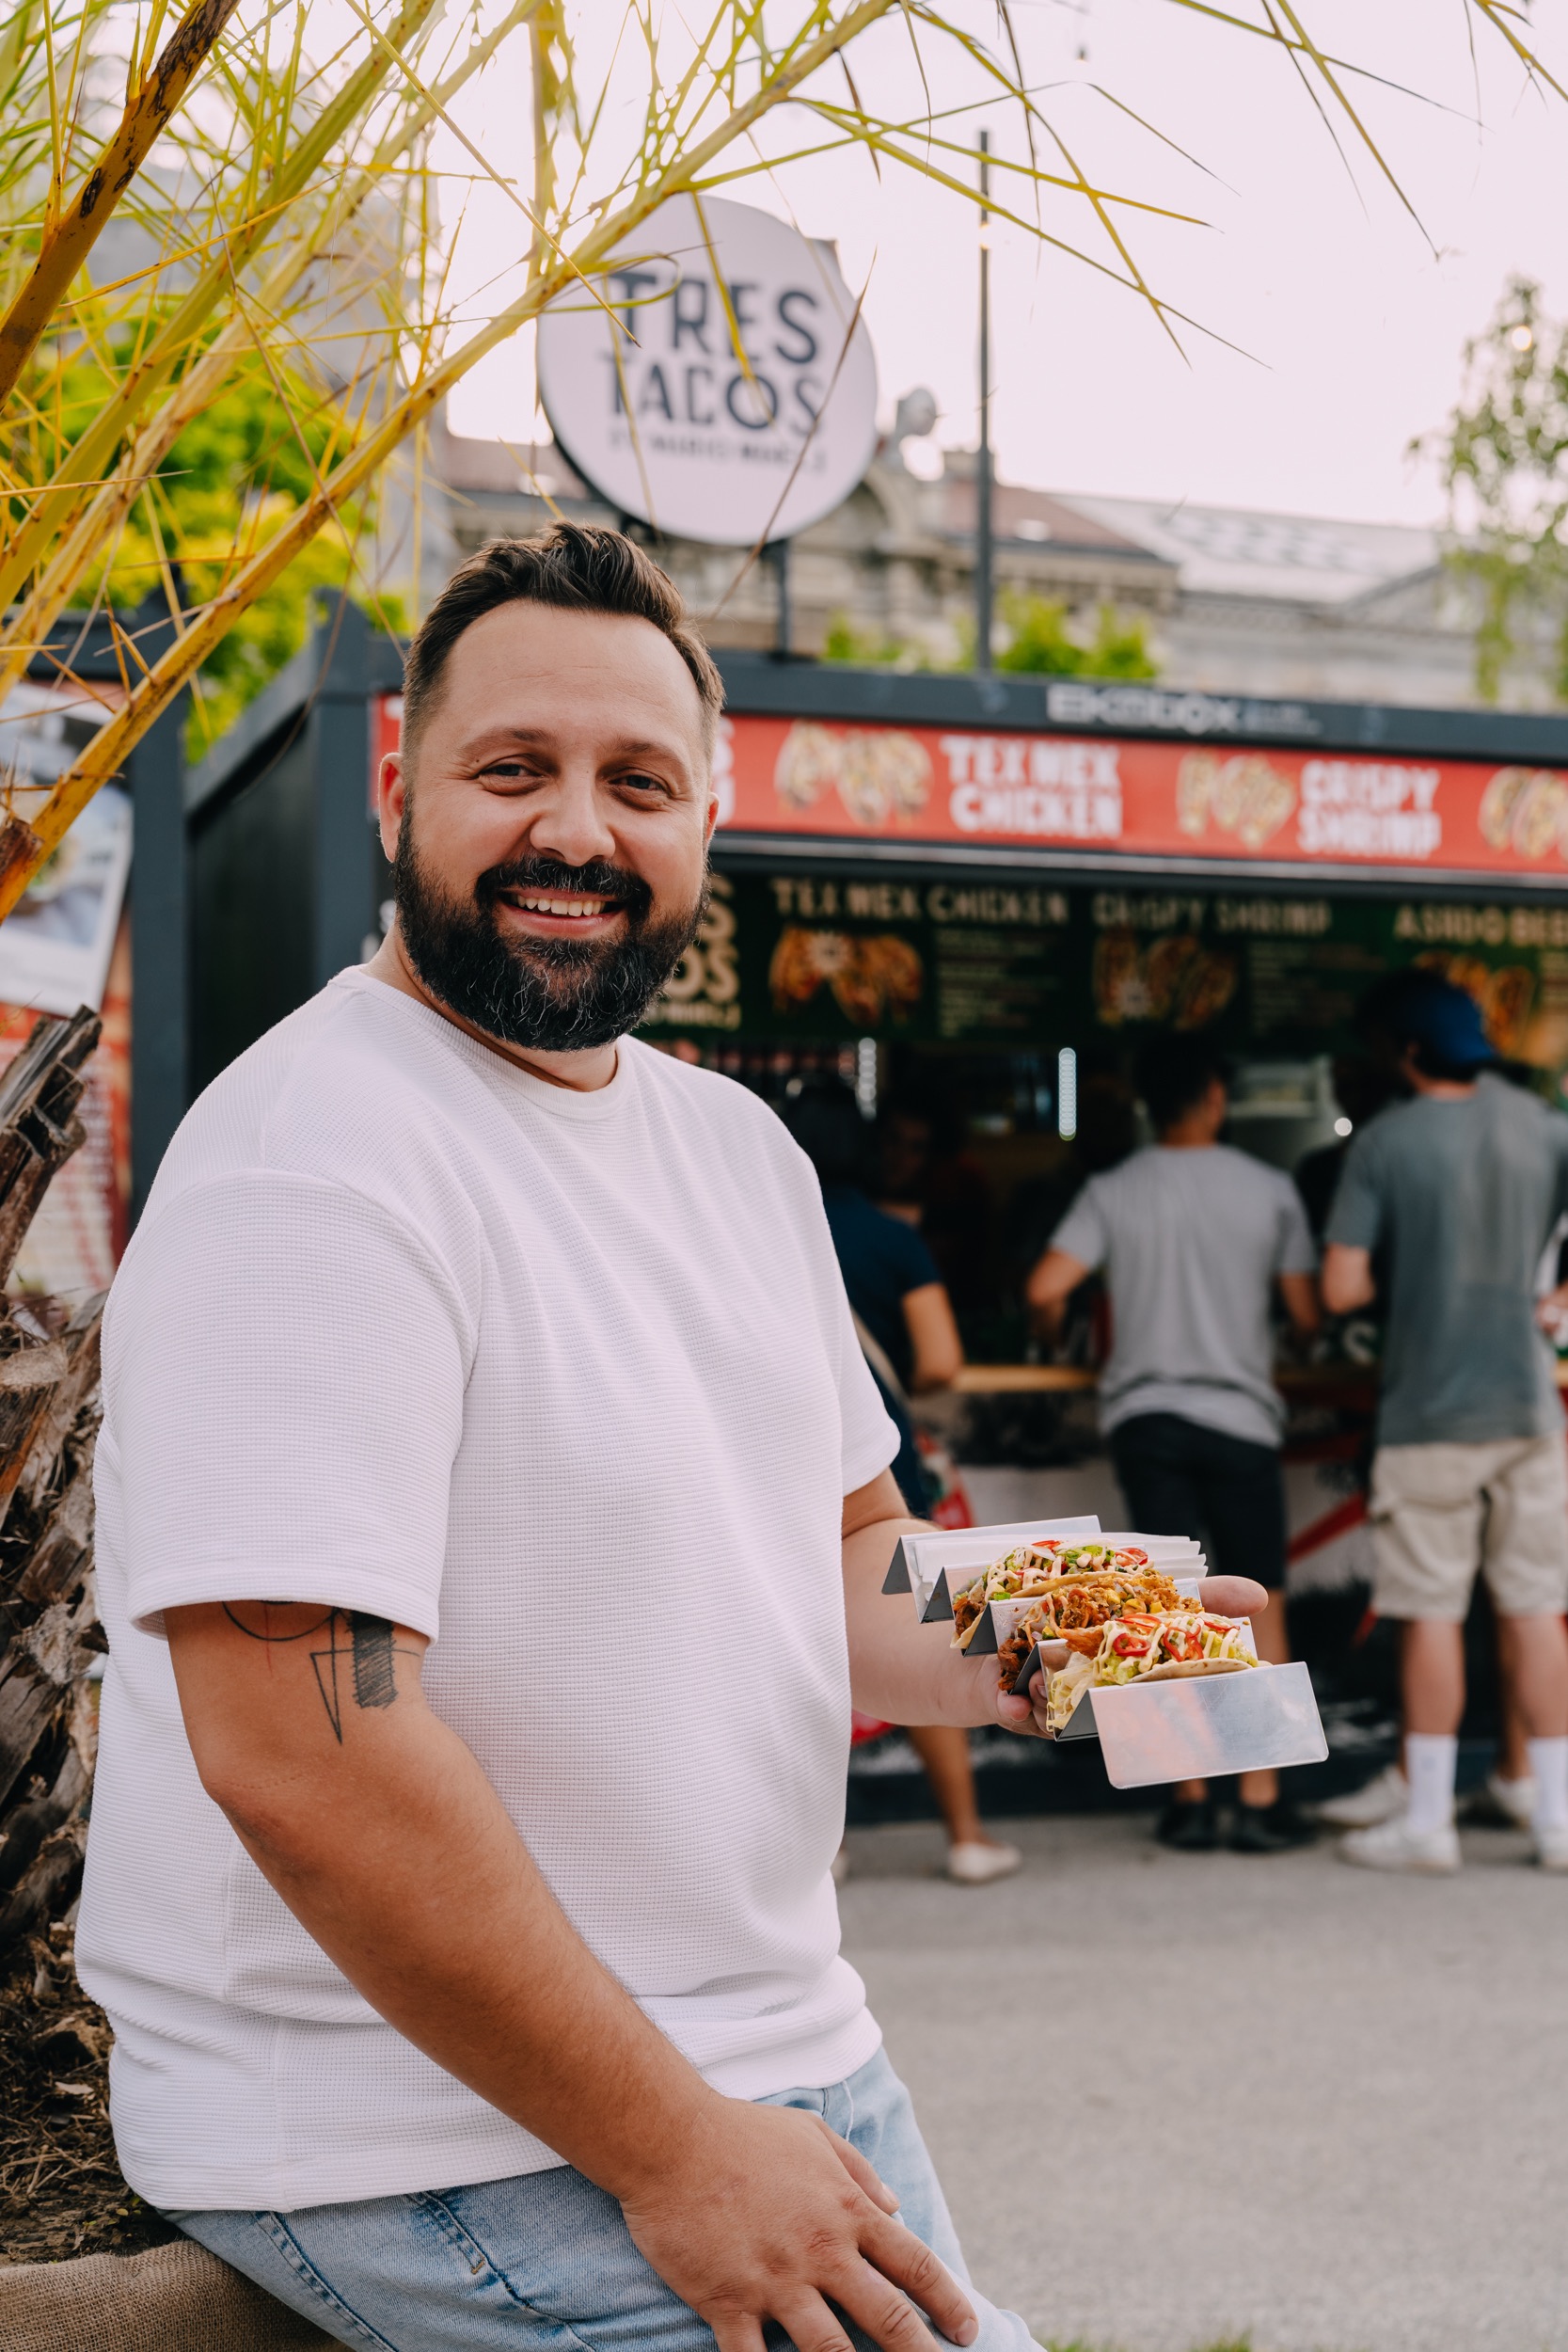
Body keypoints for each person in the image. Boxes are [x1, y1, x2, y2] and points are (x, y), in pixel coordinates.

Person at [76, 526, 1270, 2351]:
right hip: (418, 2132)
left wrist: (1130, 1633)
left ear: (706, 816)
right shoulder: (313, 1154)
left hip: (783, 2063)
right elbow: (304, 1752)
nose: (575, 829)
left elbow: (846, 1573)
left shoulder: (736, 1154)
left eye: (636, 782)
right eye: (511, 769)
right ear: (402, 790)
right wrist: (677, 2150)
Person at [1026, 1033, 1320, 1854]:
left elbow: (1044, 1286)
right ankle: (1260, 1796)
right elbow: (1303, 1314)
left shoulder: (1114, 1188)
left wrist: (1057, 1335)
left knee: (1165, 1603)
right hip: (1239, 1419)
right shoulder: (1269, 1190)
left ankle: (1189, 1795)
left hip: (1146, 1420)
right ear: (1215, 1099)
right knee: (1263, 1600)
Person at [1321, 974, 1568, 1874]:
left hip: (1425, 1413)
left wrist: (1413, 1278)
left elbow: (1341, 1286)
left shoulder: (1385, 1140)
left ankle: (1428, 1821)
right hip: (1528, 1410)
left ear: (1406, 1053)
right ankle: (1556, 1819)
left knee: (1428, 1612)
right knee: (1537, 1609)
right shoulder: (1544, 1125)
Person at [781, 1077, 1023, 1888]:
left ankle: (822, 1846)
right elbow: (942, 1359)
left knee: (801, 1657)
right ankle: (964, 1834)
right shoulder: (892, 1239)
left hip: (782, 1474)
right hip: (883, 1469)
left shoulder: (759, 1234)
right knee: (936, 1622)